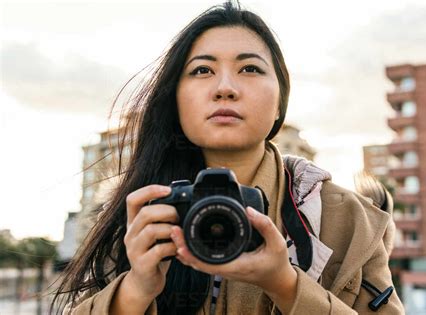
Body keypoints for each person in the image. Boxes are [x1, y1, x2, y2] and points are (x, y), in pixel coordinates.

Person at [51, 1, 405, 314]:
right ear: (175, 97)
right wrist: (133, 293)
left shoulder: (354, 225)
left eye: (249, 69)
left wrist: (285, 284)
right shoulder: (135, 217)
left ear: (281, 100)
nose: (225, 87)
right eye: (202, 70)